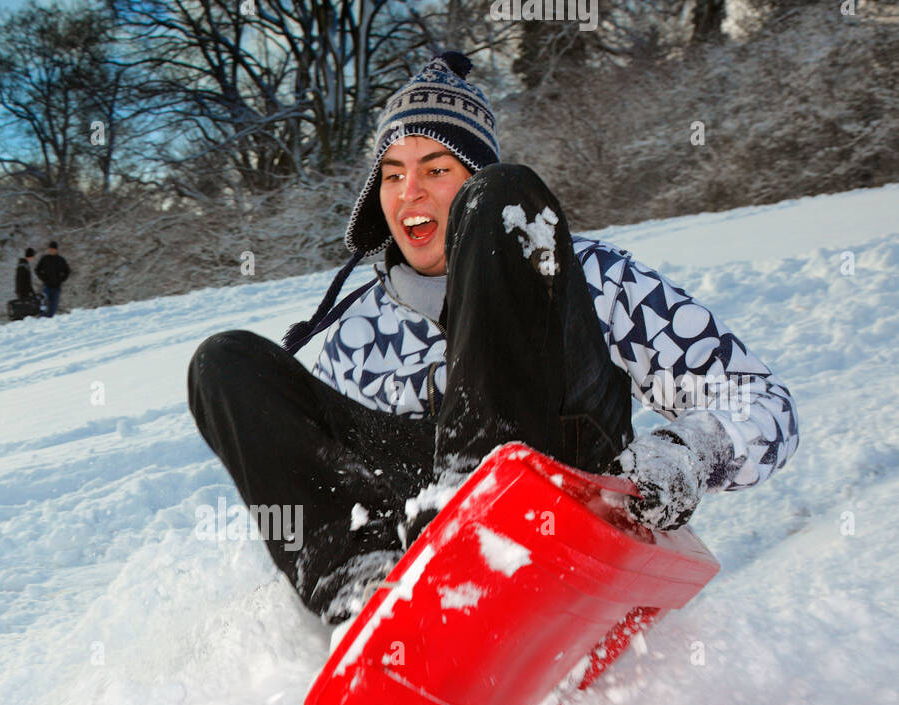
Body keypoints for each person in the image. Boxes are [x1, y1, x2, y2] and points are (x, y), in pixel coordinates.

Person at [188, 51, 799, 623]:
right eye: (393, 174)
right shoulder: (360, 333)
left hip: (562, 487)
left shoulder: (589, 277)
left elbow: (762, 403)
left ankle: (480, 510)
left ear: (473, 181)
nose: (411, 193)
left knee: (516, 198)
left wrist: (686, 453)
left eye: (436, 169)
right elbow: (336, 476)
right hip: (428, 523)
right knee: (225, 362)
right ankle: (365, 599)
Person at [35, 242, 71, 317]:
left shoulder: (60, 259)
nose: (52, 250)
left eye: (53, 249)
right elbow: (37, 270)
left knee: (54, 305)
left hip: (57, 286)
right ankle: (43, 319)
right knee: (45, 303)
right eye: (50, 249)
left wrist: (61, 279)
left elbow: (67, 271)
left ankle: (51, 320)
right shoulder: (45, 259)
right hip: (46, 285)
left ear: (56, 250)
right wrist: (43, 278)